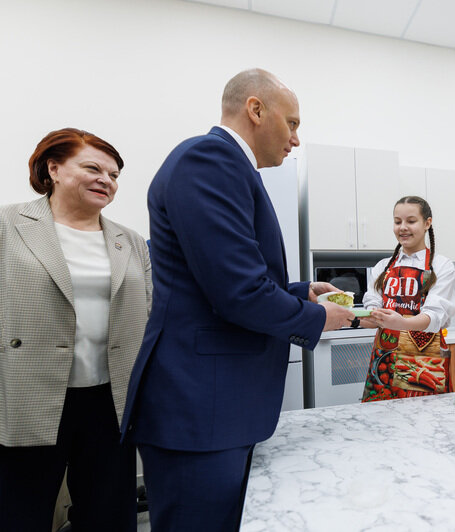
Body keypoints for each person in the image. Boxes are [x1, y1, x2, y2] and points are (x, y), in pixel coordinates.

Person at [120, 69, 354, 530]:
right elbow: (239, 293)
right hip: (201, 407)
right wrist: (315, 317)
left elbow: (220, 282)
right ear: (255, 109)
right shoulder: (210, 159)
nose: (296, 140)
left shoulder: (228, 166)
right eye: (292, 124)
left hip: (217, 406)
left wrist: (300, 291)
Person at [0, 128, 152, 530]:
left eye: (115, 174)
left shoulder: (130, 241)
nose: (107, 180)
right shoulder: (8, 224)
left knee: (109, 514)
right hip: (28, 393)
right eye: (93, 168)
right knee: (21, 512)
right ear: (53, 168)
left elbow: (150, 310)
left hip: (110, 398)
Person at [360, 196, 455, 401]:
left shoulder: (441, 265)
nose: (403, 227)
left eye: (411, 221)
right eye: (397, 222)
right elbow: (372, 313)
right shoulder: (383, 267)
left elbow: (435, 315)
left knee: (426, 421)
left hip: (424, 362)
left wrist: (401, 323)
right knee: (382, 419)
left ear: (427, 223)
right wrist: (352, 316)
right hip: (384, 359)